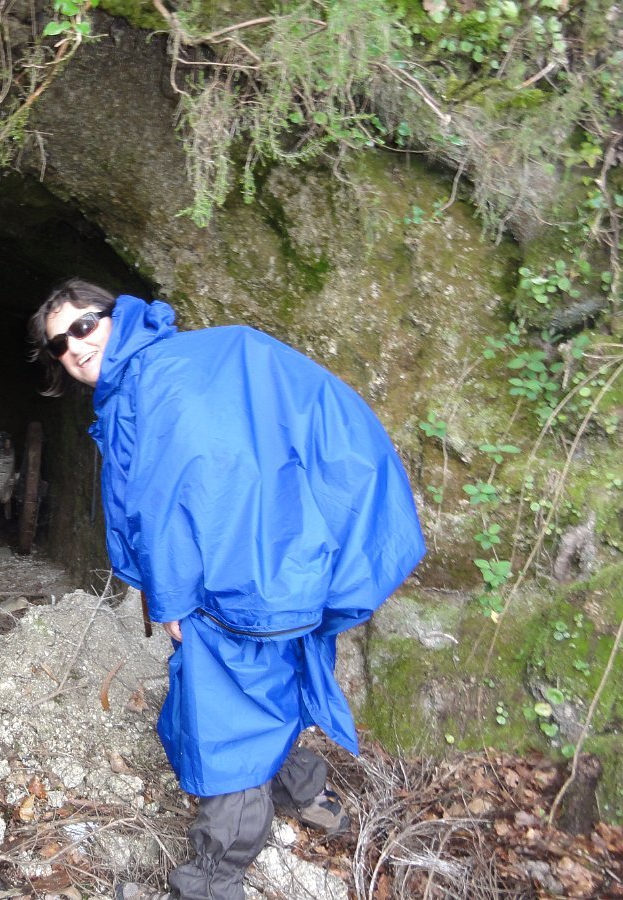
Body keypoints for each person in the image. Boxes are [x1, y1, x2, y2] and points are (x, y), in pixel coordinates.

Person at [29, 279, 426, 900]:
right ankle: (308, 793)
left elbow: (175, 499)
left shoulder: (156, 383)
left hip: (229, 586)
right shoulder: (182, 365)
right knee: (258, 690)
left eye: (83, 326)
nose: (74, 347)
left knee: (225, 726)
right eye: (58, 344)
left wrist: (173, 597)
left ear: (115, 314)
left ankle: (211, 880)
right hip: (270, 573)